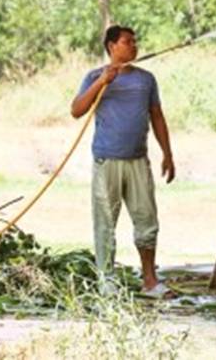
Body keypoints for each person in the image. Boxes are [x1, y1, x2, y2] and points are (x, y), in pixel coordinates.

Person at [70, 25, 175, 293]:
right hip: (107, 161)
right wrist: (102, 82)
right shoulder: (95, 76)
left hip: (138, 160)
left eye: (135, 42)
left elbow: (157, 116)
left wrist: (167, 154)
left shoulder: (146, 80)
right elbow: (77, 110)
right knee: (105, 221)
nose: (134, 46)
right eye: (128, 42)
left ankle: (150, 281)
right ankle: (107, 280)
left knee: (147, 220)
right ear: (112, 46)